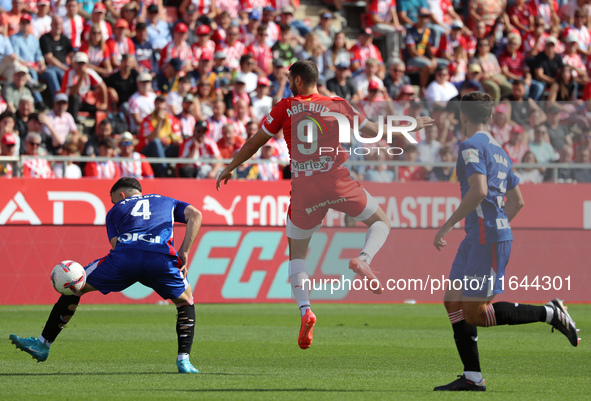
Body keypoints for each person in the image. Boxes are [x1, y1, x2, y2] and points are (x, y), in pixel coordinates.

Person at [216, 60, 433, 350]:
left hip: (305, 187)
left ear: (295, 81)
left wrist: (231, 167)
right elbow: (375, 132)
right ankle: (364, 260)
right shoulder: (338, 104)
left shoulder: (285, 107)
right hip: (337, 180)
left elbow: (255, 143)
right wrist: (410, 126)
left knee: (297, 256)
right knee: (381, 222)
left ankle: (306, 310)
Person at [432, 92, 579, 392]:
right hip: (480, 237)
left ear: (463, 116)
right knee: (452, 300)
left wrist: (448, 226)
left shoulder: (470, 146)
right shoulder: (499, 150)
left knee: (475, 312)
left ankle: (550, 312)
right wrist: (495, 226)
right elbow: (518, 201)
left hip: (484, 238)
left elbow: (479, 190)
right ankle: (472, 376)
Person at [9, 177, 203, 374]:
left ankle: (43, 345)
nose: (114, 204)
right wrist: (184, 251)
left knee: (76, 285)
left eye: (113, 200)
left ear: (121, 195)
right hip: (161, 259)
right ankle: (184, 361)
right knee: (185, 302)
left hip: (125, 259)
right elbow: (195, 215)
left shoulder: (114, 212)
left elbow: (116, 244)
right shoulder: (167, 201)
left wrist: (131, 265)